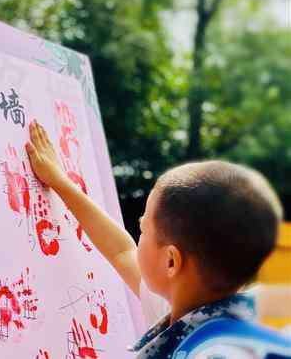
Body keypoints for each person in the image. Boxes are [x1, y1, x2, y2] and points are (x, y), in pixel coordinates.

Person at [25, 120, 287, 358]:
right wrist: (59, 182)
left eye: (143, 229)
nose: (137, 238)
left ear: (171, 262)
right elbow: (121, 250)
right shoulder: (194, 302)